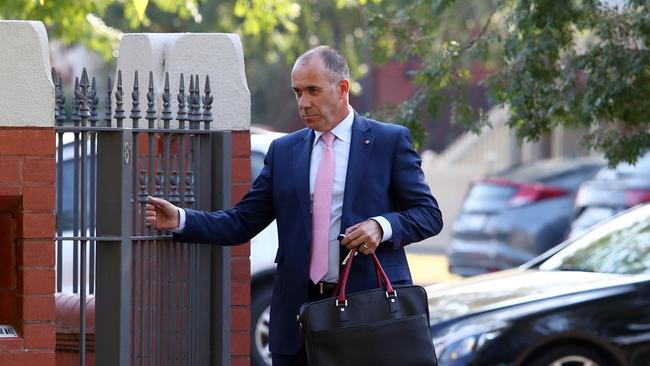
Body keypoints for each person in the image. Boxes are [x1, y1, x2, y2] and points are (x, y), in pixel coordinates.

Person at [146, 45, 443, 365]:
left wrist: (381, 226)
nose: (303, 103)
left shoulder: (388, 141)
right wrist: (180, 219)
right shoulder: (284, 151)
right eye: (298, 92)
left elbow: (428, 214)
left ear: (342, 88)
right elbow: (242, 221)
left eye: (313, 91)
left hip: (369, 315)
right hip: (297, 318)